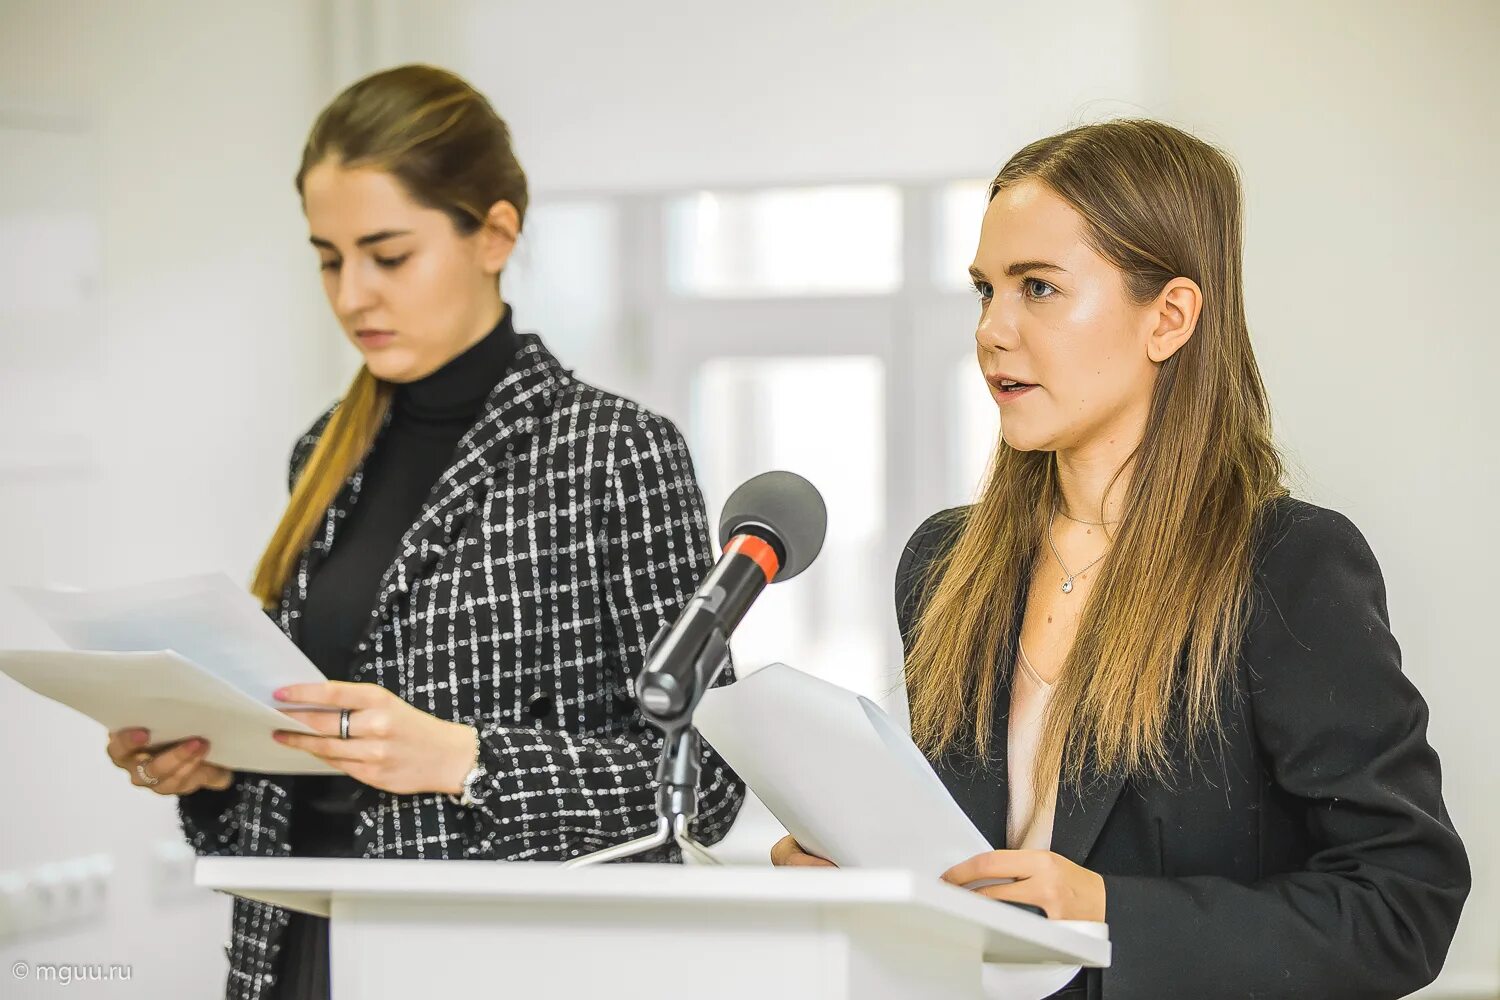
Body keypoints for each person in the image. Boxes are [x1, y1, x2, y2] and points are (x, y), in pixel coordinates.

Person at [771, 119, 1469, 999]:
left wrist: (1110, 915)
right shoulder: (944, 564)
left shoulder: (1286, 565)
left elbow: (1404, 905)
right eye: (984, 290)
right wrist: (869, 887)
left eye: (1038, 288)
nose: (993, 330)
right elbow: (966, 882)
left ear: (1169, 317)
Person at [102, 64, 744, 1000]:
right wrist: (210, 769)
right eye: (329, 257)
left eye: (387, 255)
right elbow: (315, 765)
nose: (353, 294)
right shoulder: (322, 451)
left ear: (494, 234)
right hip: (295, 956)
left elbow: (706, 785)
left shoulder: (615, 452)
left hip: (497, 965)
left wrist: (466, 758)